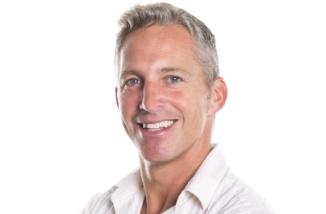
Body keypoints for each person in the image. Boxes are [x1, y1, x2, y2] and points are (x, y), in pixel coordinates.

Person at [82, 2, 274, 214]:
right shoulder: (101, 207)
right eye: (133, 81)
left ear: (216, 96)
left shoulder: (242, 210)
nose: (148, 102)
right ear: (118, 98)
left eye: (172, 79)